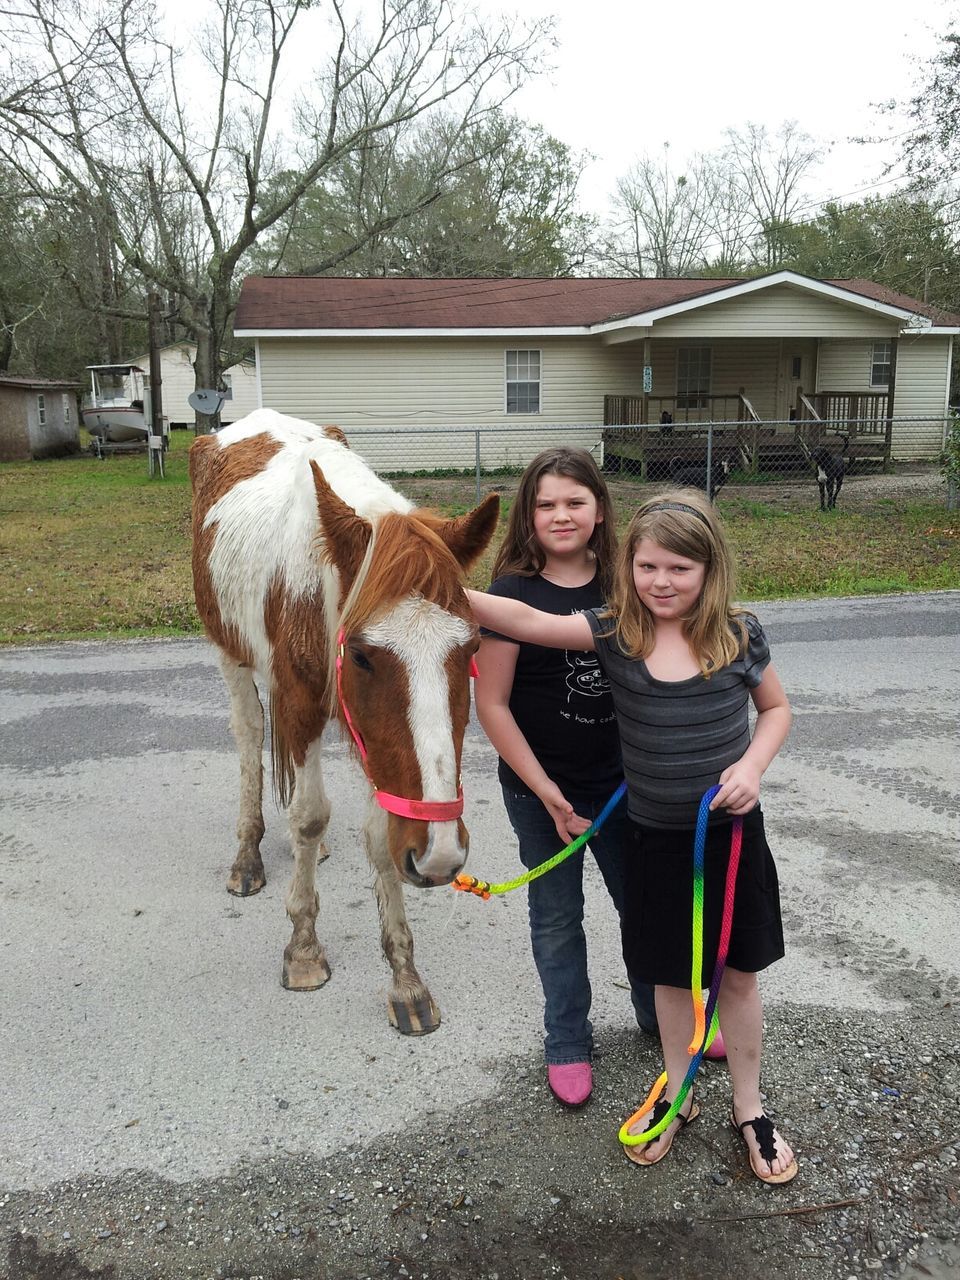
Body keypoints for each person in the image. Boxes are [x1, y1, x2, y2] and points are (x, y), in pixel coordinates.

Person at [467, 487, 796, 1184]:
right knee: (673, 983)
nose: (662, 582)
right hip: (654, 844)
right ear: (628, 567)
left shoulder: (738, 634)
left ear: (709, 570)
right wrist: (430, 584)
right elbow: (524, 618)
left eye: (680, 568)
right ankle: (677, 1095)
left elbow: (775, 710)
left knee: (735, 981)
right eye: (647, 567)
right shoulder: (618, 632)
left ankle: (750, 1108)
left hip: (732, 844)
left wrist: (752, 765)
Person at [474, 446, 657, 1109]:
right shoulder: (510, 594)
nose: (561, 515)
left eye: (575, 501)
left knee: (643, 908)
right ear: (528, 514)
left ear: (600, 509)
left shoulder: (630, 582)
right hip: (537, 792)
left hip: (622, 787)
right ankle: (567, 1041)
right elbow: (491, 704)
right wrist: (546, 791)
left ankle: (660, 1014)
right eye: (546, 503)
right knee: (557, 919)